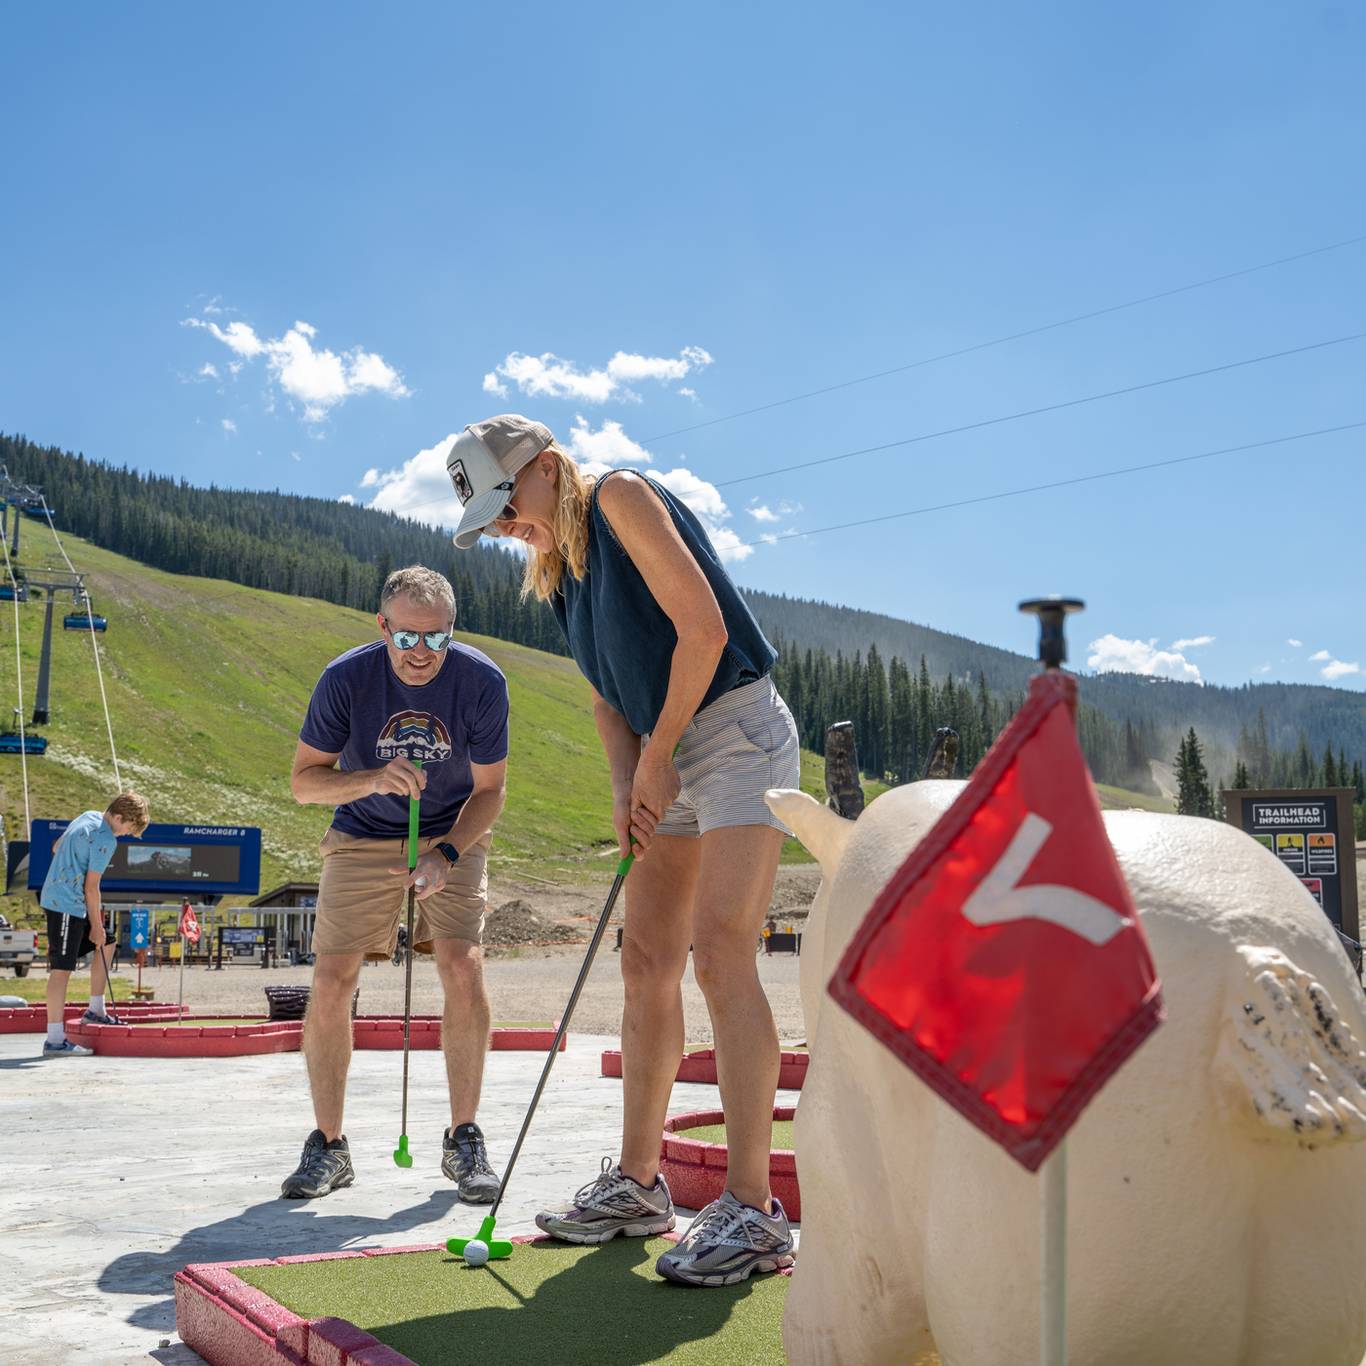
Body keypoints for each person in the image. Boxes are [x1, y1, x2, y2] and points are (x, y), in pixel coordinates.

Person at [449, 414, 799, 1288]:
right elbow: (609, 698)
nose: (505, 528)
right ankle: (639, 1189)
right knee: (646, 962)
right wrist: (625, 782)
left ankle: (754, 1211)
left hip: (733, 732)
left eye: (506, 506)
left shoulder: (618, 497)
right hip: (659, 747)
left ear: (544, 467)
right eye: (491, 521)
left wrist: (659, 753)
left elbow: (704, 631)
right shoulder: (562, 573)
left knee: (722, 953)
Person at [284, 565, 510, 1201]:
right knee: (333, 978)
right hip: (361, 830)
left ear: (452, 630)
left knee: (463, 965)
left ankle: (465, 1139)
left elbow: (491, 791)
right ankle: (328, 1146)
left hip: (451, 831)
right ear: (382, 626)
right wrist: (372, 780)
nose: (420, 652)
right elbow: (304, 783)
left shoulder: (482, 681)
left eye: (436, 638)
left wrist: (446, 854)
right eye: (407, 637)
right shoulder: (345, 678)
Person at [39, 792, 150, 1056]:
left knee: (107, 942)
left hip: (60, 897)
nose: (125, 834)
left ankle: (96, 1009)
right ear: (119, 817)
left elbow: (56, 847)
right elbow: (92, 887)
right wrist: (96, 925)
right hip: (65, 905)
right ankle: (54, 1040)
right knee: (61, 969)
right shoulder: (105, 840)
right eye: (128, 829)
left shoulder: (88, 816)